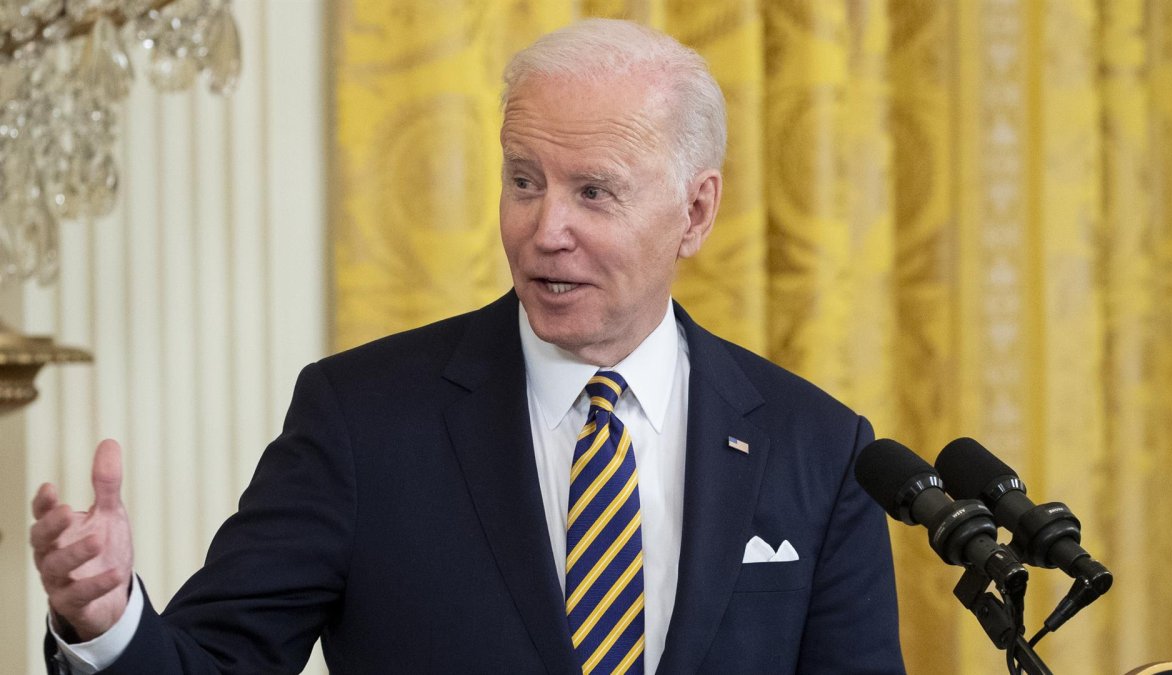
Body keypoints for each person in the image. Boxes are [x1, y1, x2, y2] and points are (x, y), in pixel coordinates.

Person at [30, 18, 904, 674]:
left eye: (594, 192)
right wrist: (106, 622)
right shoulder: (360, 419)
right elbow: (213, 661)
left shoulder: (820, 450)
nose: (544, 228)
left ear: (697, 211)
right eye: (523, 180)